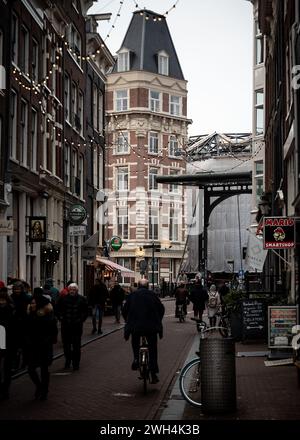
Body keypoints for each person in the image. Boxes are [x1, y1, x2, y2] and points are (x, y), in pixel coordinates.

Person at [122, 278, 165, 384]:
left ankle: (136, 359)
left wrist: (128, 321)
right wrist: (158, 320)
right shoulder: (153, 295)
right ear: (148, 286)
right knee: (153, 348)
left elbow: (124, 310)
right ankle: (153, 373)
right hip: (151, 327)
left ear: (138, 286)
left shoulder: (132, 296)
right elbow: (161, 309)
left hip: (136, 326)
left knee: (135, 341)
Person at [24, 288, 58, 400]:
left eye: (33, 303)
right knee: (31, 368)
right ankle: (39, 386)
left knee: (44, 369)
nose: (31, 304)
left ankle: (44, 390)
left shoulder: (46, 314)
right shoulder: (29, 314)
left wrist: (51, 340)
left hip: (44, 345)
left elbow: (52, 328)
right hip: (32, 345)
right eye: (31, 303)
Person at [56, 283, 88, 370]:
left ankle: (76, 363)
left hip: (77, 326)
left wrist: (81, 319)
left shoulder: (82, 299)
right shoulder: (63, 299)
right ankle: (67, 361)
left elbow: (86, 311)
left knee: (76, 346)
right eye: (71, 290)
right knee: (66, 346)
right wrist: (61, 318)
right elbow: (57, 309)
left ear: (76, 290)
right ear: (68, 290)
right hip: (66, 326)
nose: (72, 291)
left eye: (74, 290)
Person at [0, 288, 15, 400]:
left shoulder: (11, 311)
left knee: (7, 367)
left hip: (9, 341)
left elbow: (15, 328)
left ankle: (5, 390)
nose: (1, 302)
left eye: (3, 300)